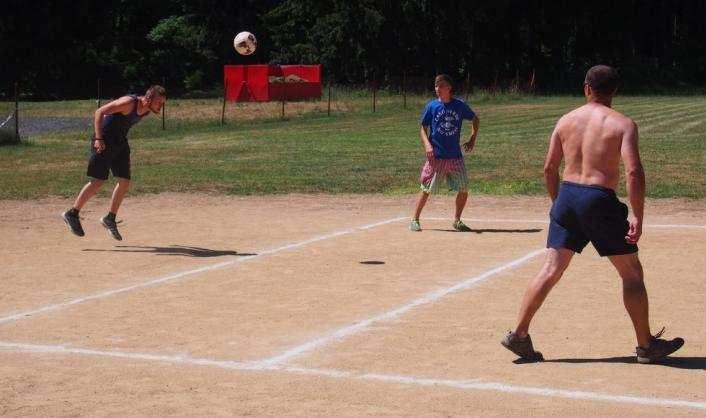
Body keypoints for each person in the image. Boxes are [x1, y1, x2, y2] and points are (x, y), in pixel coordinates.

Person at [501, 65, 683, 364]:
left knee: (551, 269)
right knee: (631, 272)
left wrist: (557, 204)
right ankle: (646, 345)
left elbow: (549, 169)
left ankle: (518, 334)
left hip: (567, 195)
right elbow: (634, 172)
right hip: (598, 199)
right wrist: (637, 215)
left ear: (587, 87)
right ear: (615, 91)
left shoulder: (565, 120)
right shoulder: (623, 124)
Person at [61, 85, 166, 241]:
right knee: (98, 181)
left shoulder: (147, 110)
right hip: (104, 140)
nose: (161, 106)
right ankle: (72, 213)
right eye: (159, 102)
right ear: (149, 98)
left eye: (163, 103)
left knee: (124, 181)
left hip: (120, 142)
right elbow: (99, 112)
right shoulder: (128, 103)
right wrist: (98, 138)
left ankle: (110, 218)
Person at [410, 74, 479, 232]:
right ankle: (415, 219)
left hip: (455, 156)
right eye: (436, 86)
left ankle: (457, 220)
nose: (437, 89)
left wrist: (472, 139)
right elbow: (423, 128)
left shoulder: (459, 106)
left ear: (449, 88)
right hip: (436, 156)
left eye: (441, 86)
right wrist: (427, 145)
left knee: (463, 188)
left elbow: (475, 119)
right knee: (426, 188)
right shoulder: (432, 106)